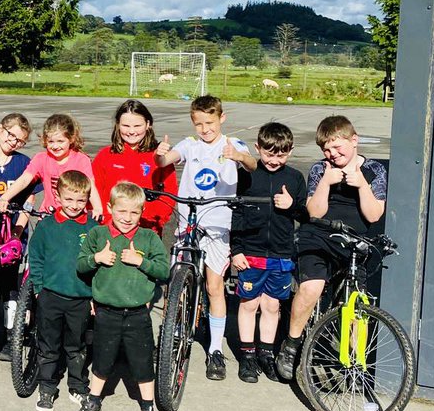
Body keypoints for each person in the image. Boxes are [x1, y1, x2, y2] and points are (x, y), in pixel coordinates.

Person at [276, 115, 387, 381]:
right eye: (327, 149)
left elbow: (373, 216)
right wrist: (326, 181)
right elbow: (314, 212)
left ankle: (353, 362)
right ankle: (291, 344)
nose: (333, 154)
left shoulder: (374, 171)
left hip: (353, 241)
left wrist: (361, 185)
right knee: (312, 287)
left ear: (354, 140)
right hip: (320, 235)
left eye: (338, 147)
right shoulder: (319, 169)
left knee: (355, 305)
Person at [155, 95, 257, 380]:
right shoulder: (190, 144)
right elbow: (166, 160)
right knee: (176, 278)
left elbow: (252, 165)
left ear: (221, 119)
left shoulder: (233, 145)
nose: (204, 129)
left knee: (214, 286)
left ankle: (214, 349)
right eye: (199, 123)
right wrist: (159, 155)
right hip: (189, 222)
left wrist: (239, 158)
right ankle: (169, 334)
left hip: (218, 226)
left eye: (209, 122)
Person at [72, 181, 169, 411]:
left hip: (138, 313)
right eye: (122, 211)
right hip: (106, 311)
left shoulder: (148, 238)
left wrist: (141, 261)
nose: (127, 218)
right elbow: (81, 265)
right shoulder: (97, 235)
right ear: (109, 208)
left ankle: (148, 409)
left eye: (134, 212)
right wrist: (97, 259)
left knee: (142, 360)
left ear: (142, 212)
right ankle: (94, 400)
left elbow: (164, 270)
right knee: (103, 358)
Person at [230, 123, 307, 383]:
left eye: (281, 155)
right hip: (250, 251)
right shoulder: (248, 176)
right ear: (257, 148)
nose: (274, 160)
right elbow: (236, 213)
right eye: (269, 153)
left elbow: (304, 214)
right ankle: (248, 356)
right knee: (249, 303)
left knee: (272, 305)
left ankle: (266, 353)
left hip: (281, 253)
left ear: (290, 151)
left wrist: (291, 205)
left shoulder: (295, 178)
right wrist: (236, 249)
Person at [29, 170, 96, 411]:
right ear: (57, 197)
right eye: (69, 199)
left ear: (87, 200)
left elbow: (97, 267)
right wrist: (38, 288)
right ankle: (47, 386)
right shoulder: (47, 226)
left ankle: (77, 385)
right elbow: (35, 257)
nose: (74, 205)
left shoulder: (92, 228)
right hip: (50, 295)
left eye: (80, 200)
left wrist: (93, 296)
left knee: (76, 345)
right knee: (48, 344)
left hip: (80, 298)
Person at [0, 113, 36, 360]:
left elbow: (29, 201)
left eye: (20, 140)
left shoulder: (23, 163)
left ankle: (9, 337)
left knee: (10, 288)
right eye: (10, 134)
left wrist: (17, 232)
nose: (13, 142)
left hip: (11, 236)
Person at [92, 99, 177, 235]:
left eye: (137, 126)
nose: (131, 132)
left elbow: (169, 192)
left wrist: (158, 220)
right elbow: (95, 190)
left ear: (148, 124)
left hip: (147, 230)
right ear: (118, 125)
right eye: (126, 126)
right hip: (111, 229)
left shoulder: (159, 156)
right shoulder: (105, 155)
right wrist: (106, 220)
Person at [0, 113, 103, 218]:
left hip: (75, 215)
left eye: (60, 141)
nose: (55, 146)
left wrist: (97, 208)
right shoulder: (41, 159)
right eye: (51, 141)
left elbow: (90, 185)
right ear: (45, 140)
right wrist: (5, 198)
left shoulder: (81, 160)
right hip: (48, 216)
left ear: (71, 139)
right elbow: (24, 180)